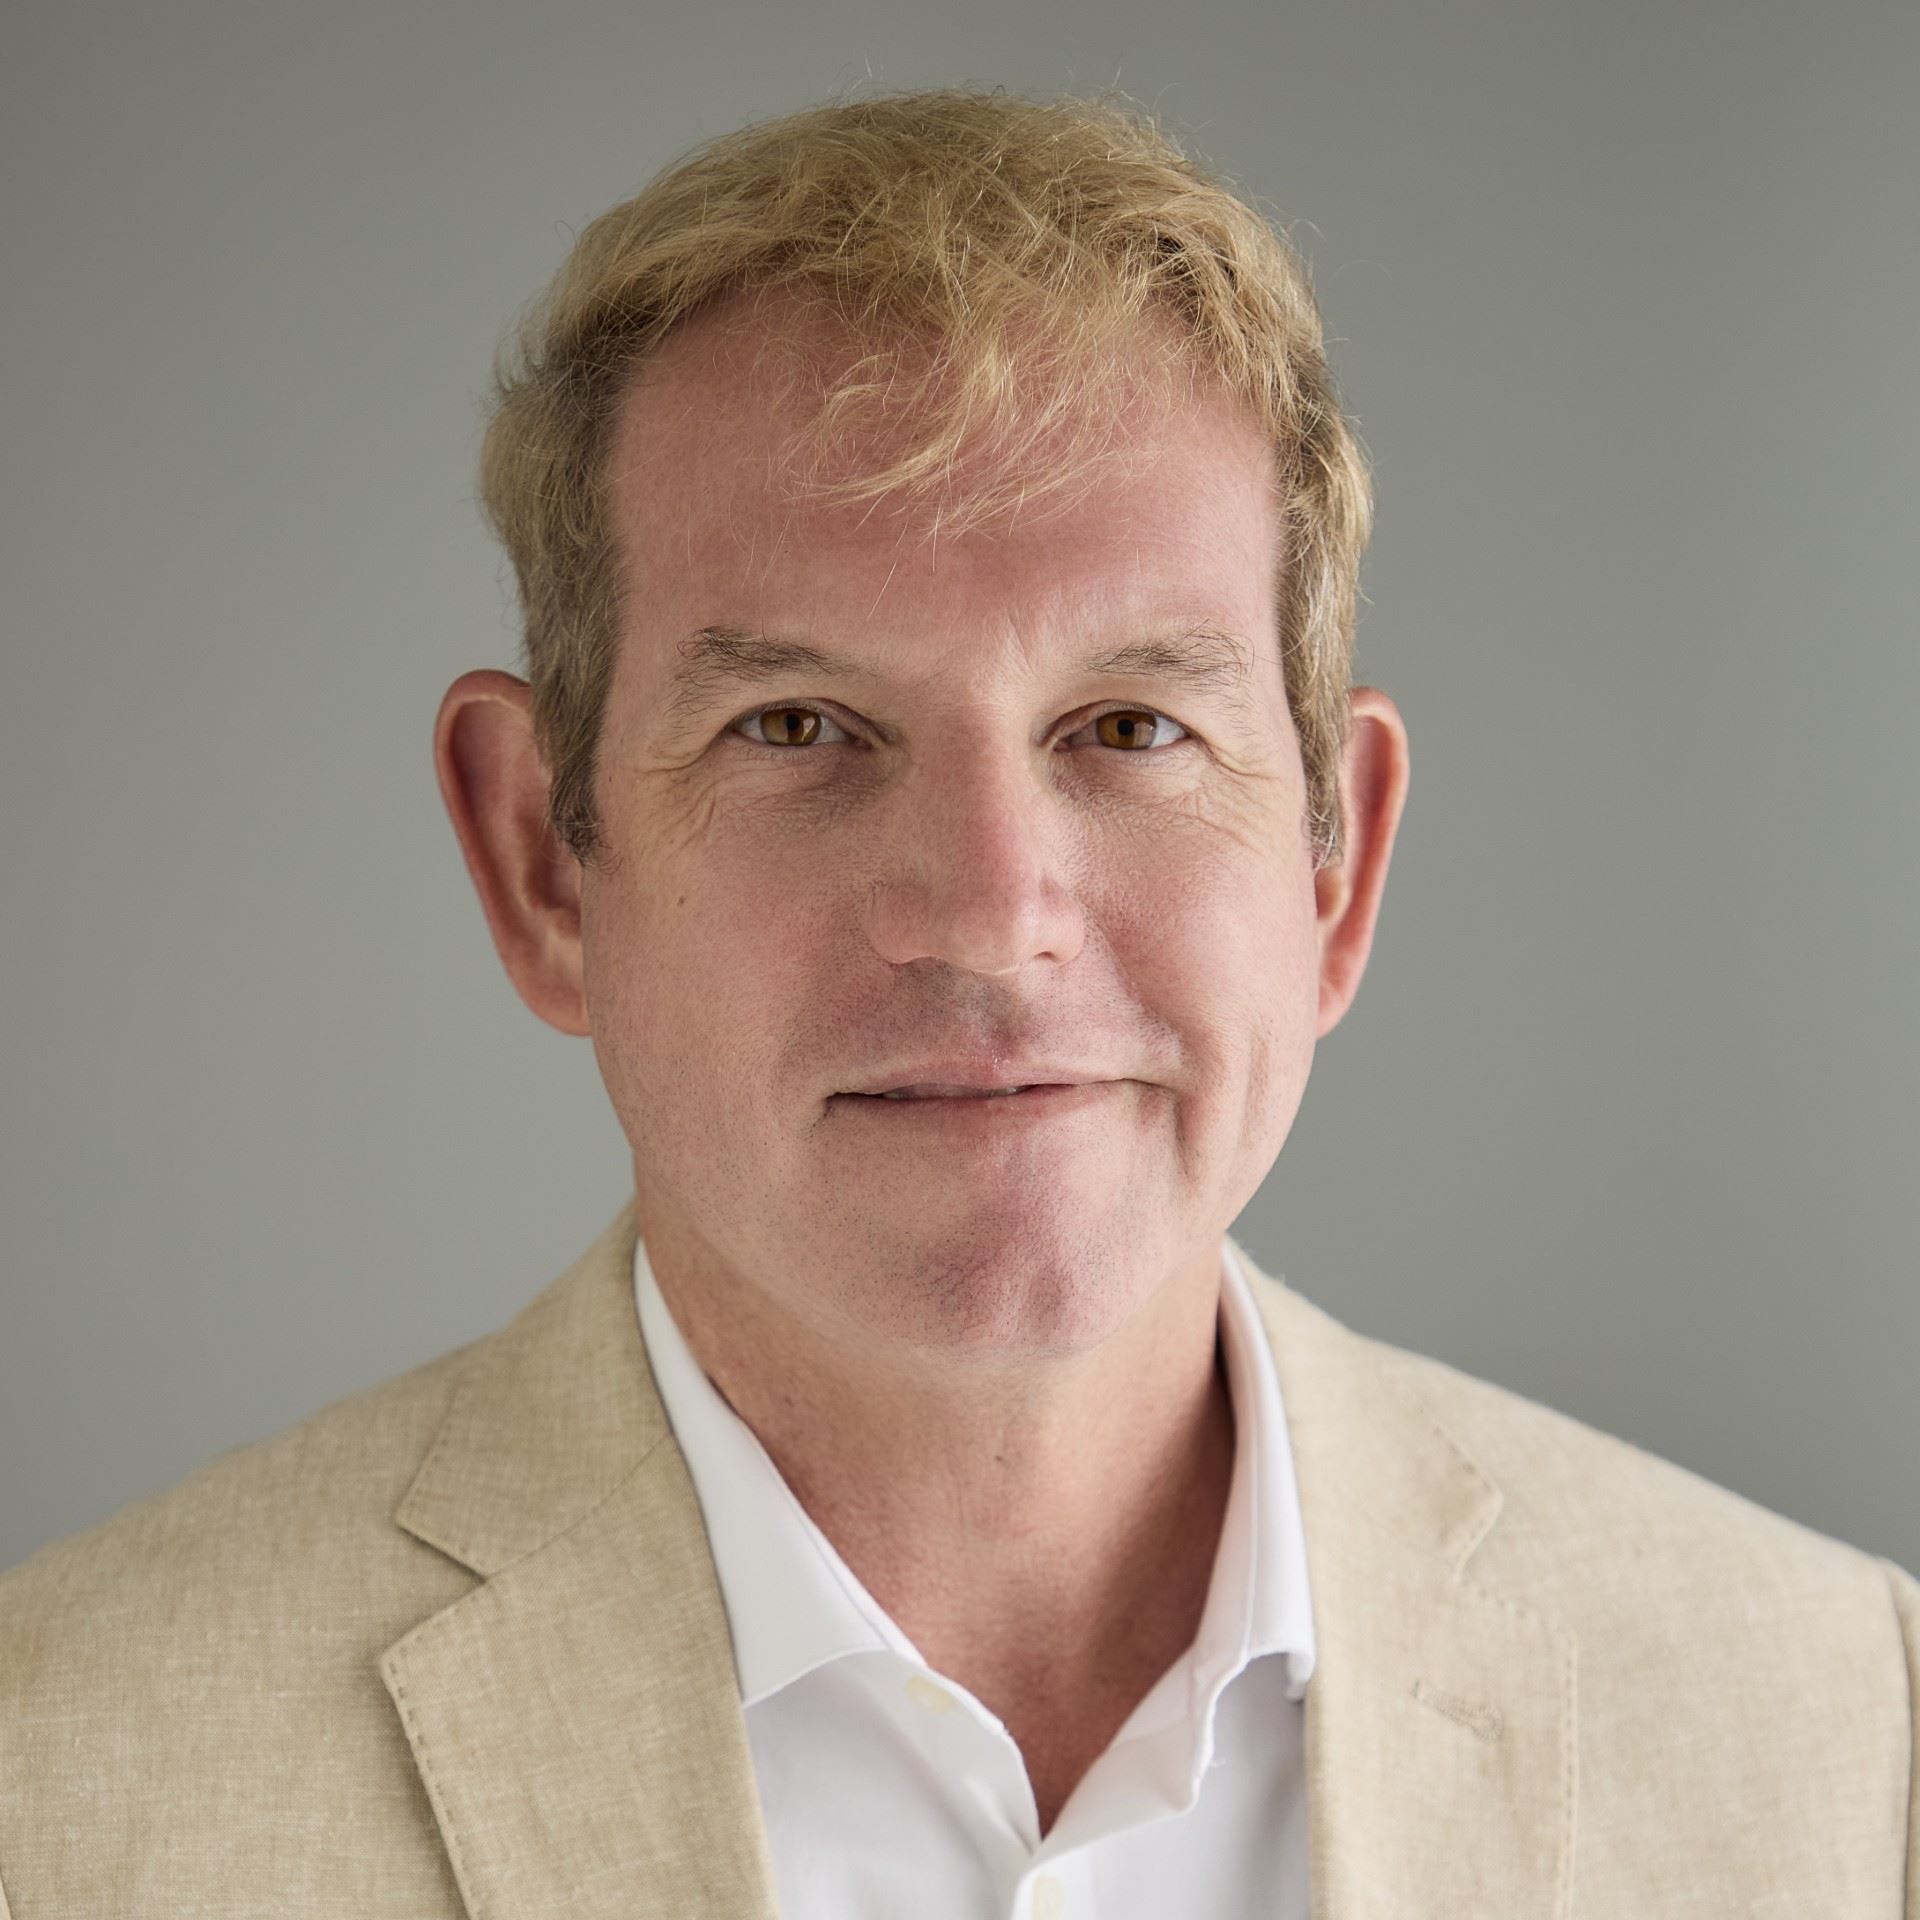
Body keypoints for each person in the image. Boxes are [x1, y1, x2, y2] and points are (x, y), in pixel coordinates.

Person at [1, 86, 1912, 1920]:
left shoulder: (1851, 1728)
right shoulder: (58, 1781)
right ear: (544, 864)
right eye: (799, 726)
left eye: (1134, 726)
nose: (996, 919)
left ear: (1337, 865)